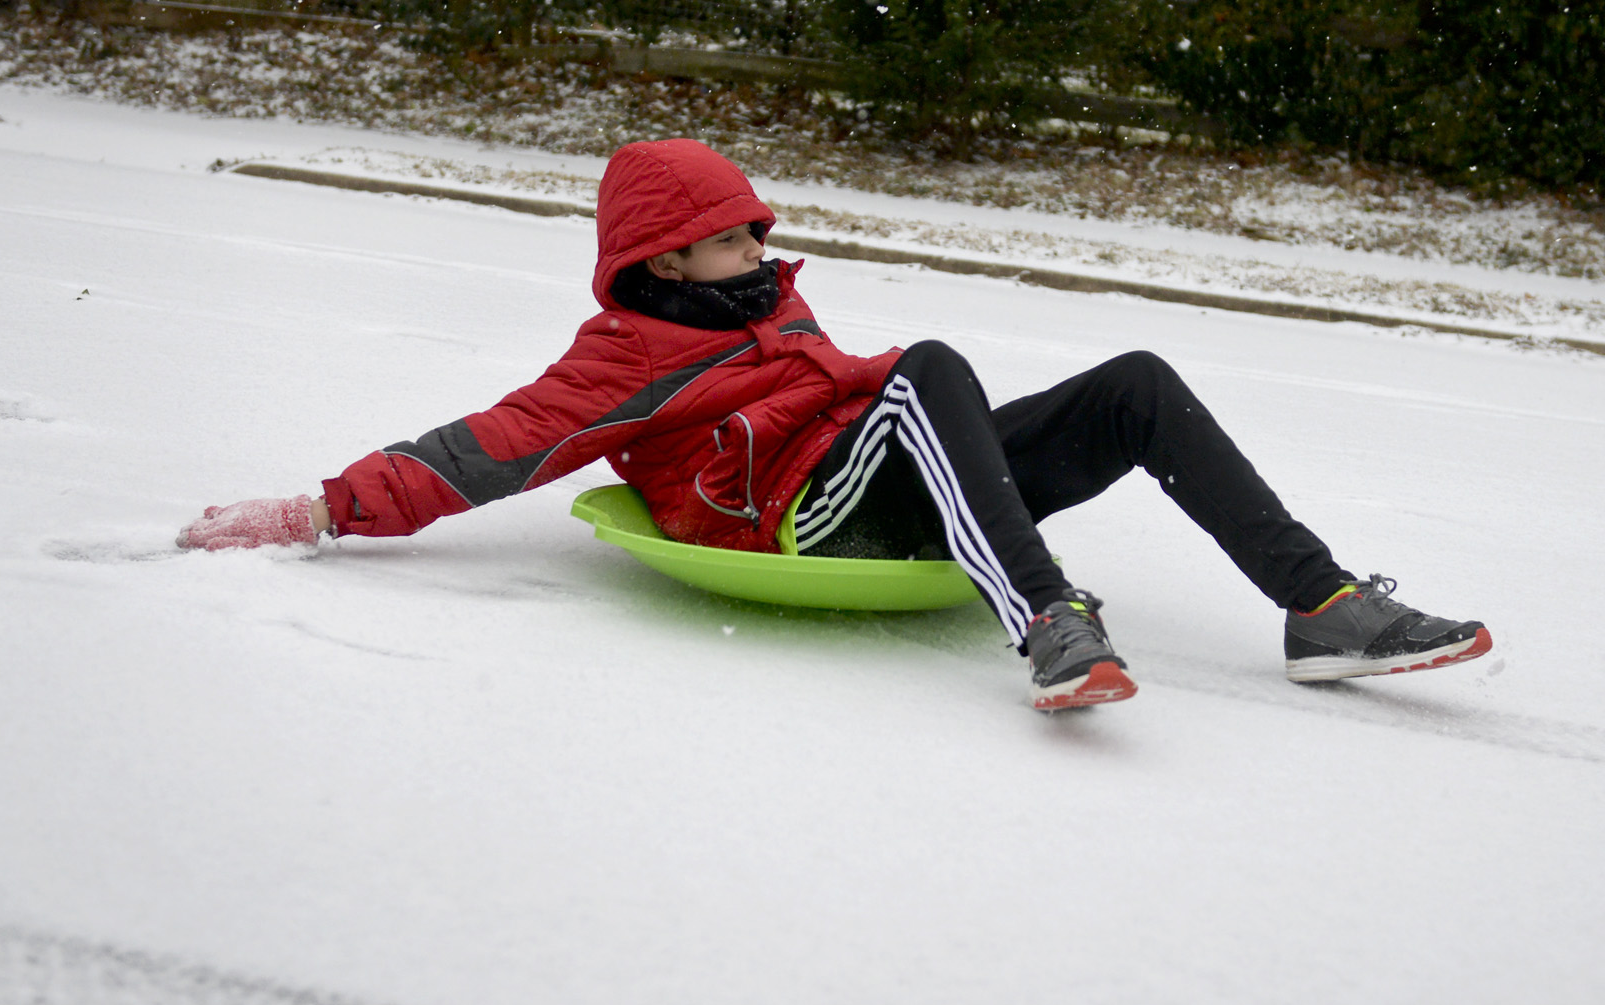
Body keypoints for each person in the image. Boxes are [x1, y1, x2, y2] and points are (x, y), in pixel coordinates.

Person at [180, 138, 1490, 709]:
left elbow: (872, 392)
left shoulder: (771, 303)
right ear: (661, 257)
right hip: (799, 514)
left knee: (1133, 380)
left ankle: (1319, 603)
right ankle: (1043, 620)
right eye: (729, 231)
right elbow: (490, 445)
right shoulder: (625, 353)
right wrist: (317, 508)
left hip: (897, 469)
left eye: (758, 221)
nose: (761, 239)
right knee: (924, 365)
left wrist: (910, 394)